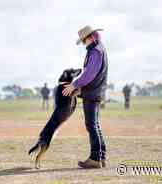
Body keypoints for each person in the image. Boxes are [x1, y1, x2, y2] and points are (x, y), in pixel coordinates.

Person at [62, 25, 108, 169]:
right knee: (95, 125)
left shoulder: (95, 51)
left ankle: (95, 158)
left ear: (90, 37)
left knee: (91, 125)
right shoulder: (100, 48)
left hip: (92, 93)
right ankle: (101, 157)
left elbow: (89, 74)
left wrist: (75, 85)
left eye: (83, 41)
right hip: (95, 92)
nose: (83, 44)